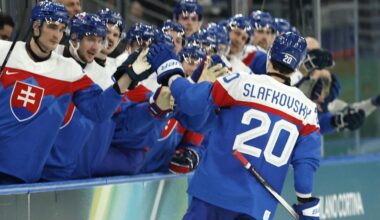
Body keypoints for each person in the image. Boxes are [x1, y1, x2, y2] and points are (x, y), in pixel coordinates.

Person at [147, 32, 321, 219]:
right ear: (297, 66)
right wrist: (306, 205)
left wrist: (171, 72)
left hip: (212, 193)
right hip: (256, 206)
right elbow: (305, 166)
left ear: (269, 55)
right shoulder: (308, 110)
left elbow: (190, 101)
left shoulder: (240, 82)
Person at [0, 1, 152, 184]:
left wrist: (127, 78)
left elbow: (98, 111)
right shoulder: (4, 52)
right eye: (52, 27)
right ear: (35, 26)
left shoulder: (69, 71)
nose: (57, 35)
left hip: (22, 177)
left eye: (61, 29)